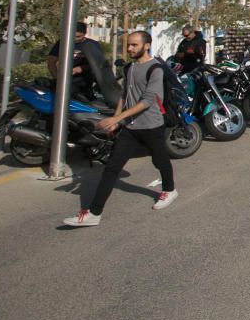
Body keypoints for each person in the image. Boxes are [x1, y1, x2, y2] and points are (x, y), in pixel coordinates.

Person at [62, 31, 177, 227]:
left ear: (146, 45)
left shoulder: (155, 69)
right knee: (112, 168)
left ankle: (170, 190)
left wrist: (118, 118)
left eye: (134, 45)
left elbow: (148, 101)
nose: (130, 49)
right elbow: (124, 95)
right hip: (130, 128)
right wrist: (116, 120)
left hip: (151, 126)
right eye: (129, 45)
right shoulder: (130, 67)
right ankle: (94, 213)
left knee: (160, 160)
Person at [47, 21, 105, 102]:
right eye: (72, 36)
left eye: (78, 36)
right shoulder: (62, 43)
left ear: (84, 34)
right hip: (65, 79)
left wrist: (80, 69)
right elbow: (51, 62)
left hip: (85, 81)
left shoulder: (92, 44)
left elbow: (100, 64)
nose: (75, 39)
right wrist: (57, 79)